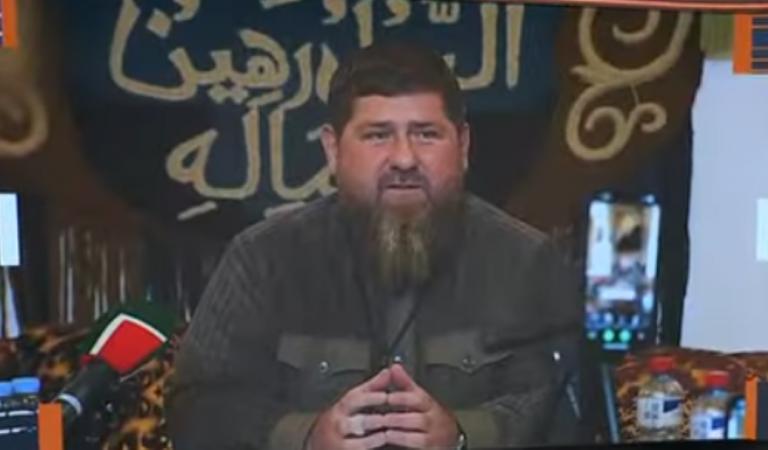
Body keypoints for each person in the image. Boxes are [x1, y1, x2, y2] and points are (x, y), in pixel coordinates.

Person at [167, 41, 582, 450]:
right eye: (378, 135)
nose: (404, 159)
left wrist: (462, 435)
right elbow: (196, 410)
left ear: (463, 146)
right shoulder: (262, 259)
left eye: (426, 134)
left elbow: (562, 407)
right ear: (333, 149)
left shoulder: (526, 260)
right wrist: (307, 436)